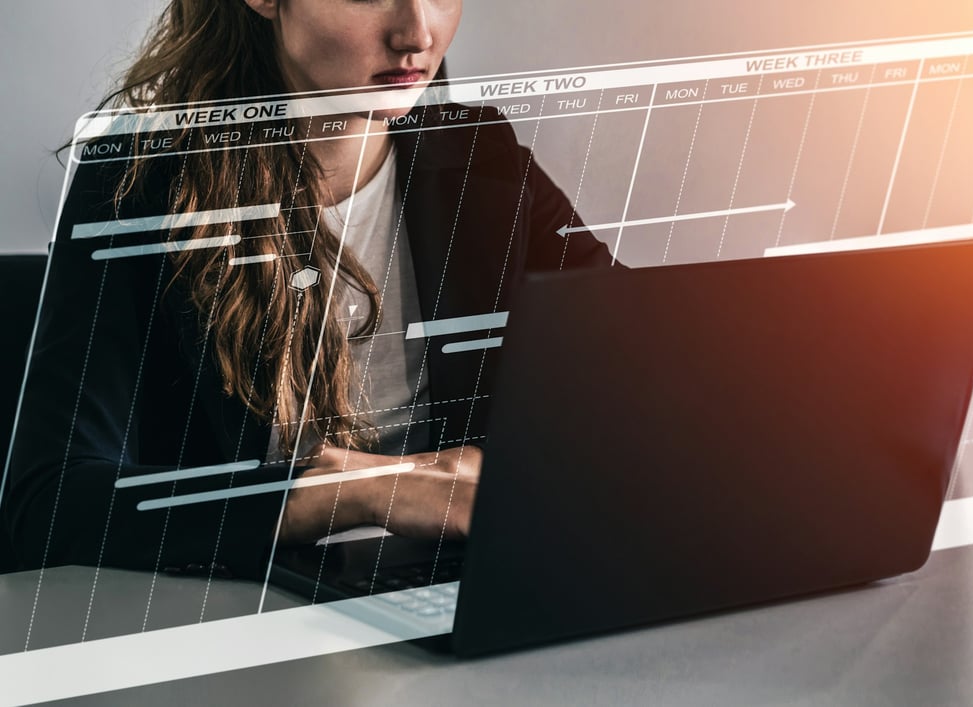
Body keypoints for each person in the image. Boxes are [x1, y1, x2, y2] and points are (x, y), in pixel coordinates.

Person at [3, 0, 612, 580]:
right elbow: (48, 505)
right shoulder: (136, 187)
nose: (417, 34)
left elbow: (648, 386)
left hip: (449, 596)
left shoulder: (484, 161)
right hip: (233, 624)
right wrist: (348, 492)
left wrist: (497, 468)